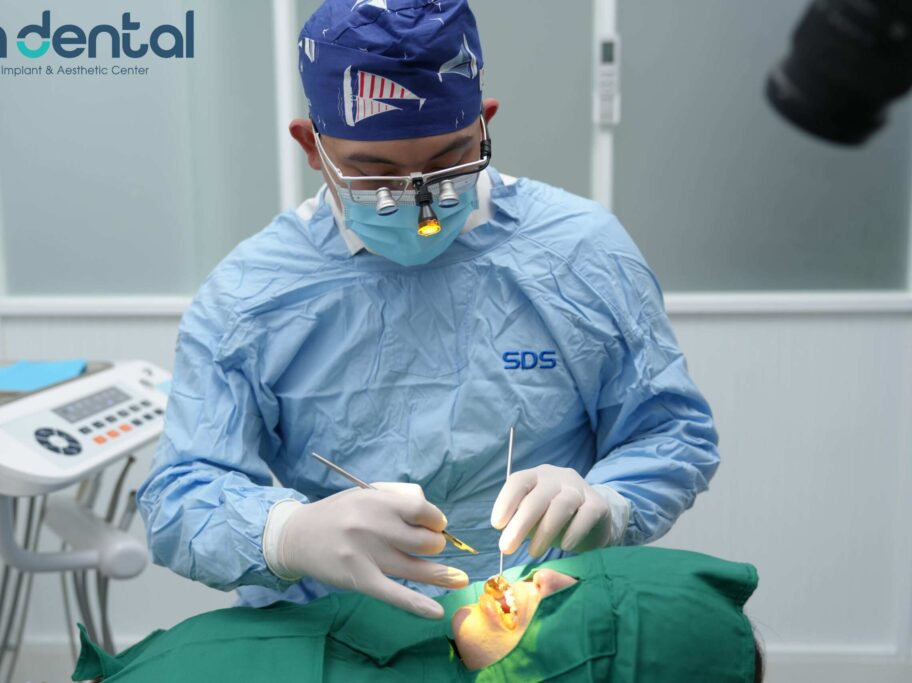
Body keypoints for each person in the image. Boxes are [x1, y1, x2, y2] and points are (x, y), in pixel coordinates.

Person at [137, 0, 720, 619]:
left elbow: (670, 433)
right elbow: (179, 494)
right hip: (335, 624)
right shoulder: (251, 294)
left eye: (448, 164)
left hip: (545, 612)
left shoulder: (580, 252)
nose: (421, 206)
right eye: (375, 176)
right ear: (312, 146)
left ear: (484, 126)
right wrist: (286, 534)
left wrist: (610, 503)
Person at [72, 547, 762, 682]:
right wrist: (280, 531)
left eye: (576, 602)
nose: (540, 575)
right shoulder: (423, 629)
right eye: (576, 567)